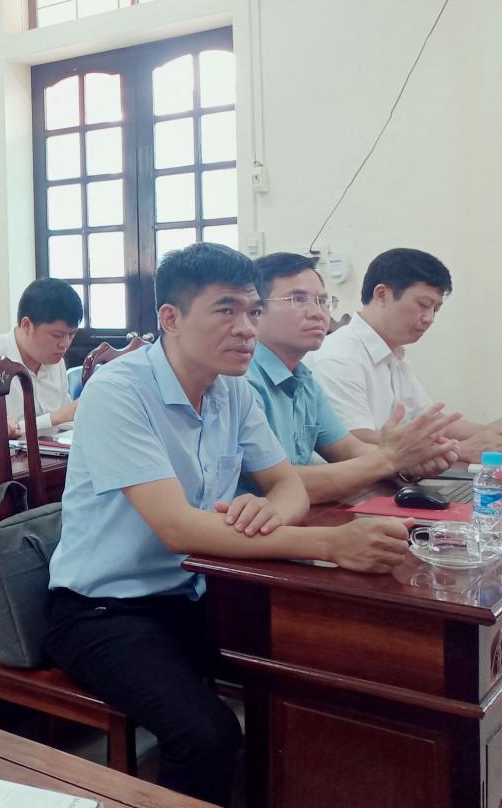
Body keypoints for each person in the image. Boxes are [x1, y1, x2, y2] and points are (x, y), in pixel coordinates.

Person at [45, 243, 411, 806]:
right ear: (171, 318)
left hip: (197, 591)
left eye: (253, 311)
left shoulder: (232, 389)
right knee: (206, 736)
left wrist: (271, 511)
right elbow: (178, 529)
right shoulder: (119, 391)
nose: (246, 328)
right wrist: (332, 544)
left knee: (316, 676)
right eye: (226, 310)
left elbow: (287, 484)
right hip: (103, 610)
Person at [244, 253, 460, 502]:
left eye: (322, 301)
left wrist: (410, 460)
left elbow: (350, 449)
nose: (318, 313)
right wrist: (391, 458)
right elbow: (278, 483)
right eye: (297, 299)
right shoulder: (242, 380)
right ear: (254, 311)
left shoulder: (304, 380)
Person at [306, 248, 502, 462]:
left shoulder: (395, 355)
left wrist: (489, 435)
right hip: (352, 480)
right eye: (423, 305)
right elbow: (354, 443)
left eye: (435, 309)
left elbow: (428, 421)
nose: (429, 318)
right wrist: (459, 449)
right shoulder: (338, 357)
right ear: (381, 295)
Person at [0, 278, 80, 436]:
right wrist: (54, 418)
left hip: (52, 449)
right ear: (26, 325)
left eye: (72, 335)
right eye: (56, 335)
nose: (65, 344)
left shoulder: (55, 359)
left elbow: (66, 421)